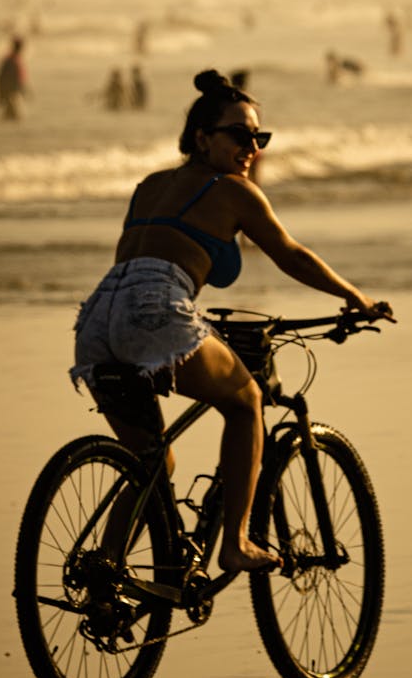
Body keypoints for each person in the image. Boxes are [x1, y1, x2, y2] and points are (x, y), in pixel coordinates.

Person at [72, 70, 393, 574]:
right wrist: (355, 297)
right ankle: (237, 543)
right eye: (239, 135)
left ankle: (106, 567)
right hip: (155, 309)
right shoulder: (235, 191)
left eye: (259, 138)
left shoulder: (150, 186)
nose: (252, 147)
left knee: (152, 460)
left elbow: (138, 263)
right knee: (246, 403)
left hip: (96, 318)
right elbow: (290, 254)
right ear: (201, 138)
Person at [0, 36, 27, 120]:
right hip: (10, 88)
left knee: (10, 112)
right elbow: (3, 75)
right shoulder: (11, 59)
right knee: (13, 112)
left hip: (12, 87)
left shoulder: (13, 58)